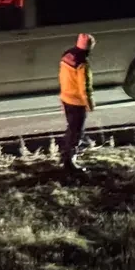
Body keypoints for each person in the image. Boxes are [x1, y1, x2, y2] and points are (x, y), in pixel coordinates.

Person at [58, 33, 96, 175]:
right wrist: (89, 103)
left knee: (71, 129)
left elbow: (62, 77)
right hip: (77, 102)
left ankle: (65, 156)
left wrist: (61, 96)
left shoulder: (67, 56)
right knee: (76, 132)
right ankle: (70, 163)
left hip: (66, 98)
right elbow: (84, 86)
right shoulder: (82, 63)